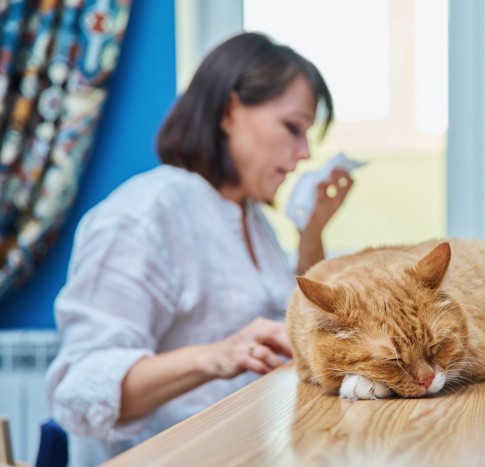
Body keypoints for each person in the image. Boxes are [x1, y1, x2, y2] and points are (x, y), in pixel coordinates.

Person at [46, 32, 353, 465]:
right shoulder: (143, 215)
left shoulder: (249, 217)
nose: (304, 153)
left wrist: (312, 231)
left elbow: (296, 319)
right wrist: (216, 356)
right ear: (230, 110)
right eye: (292, 127)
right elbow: (78, 390)